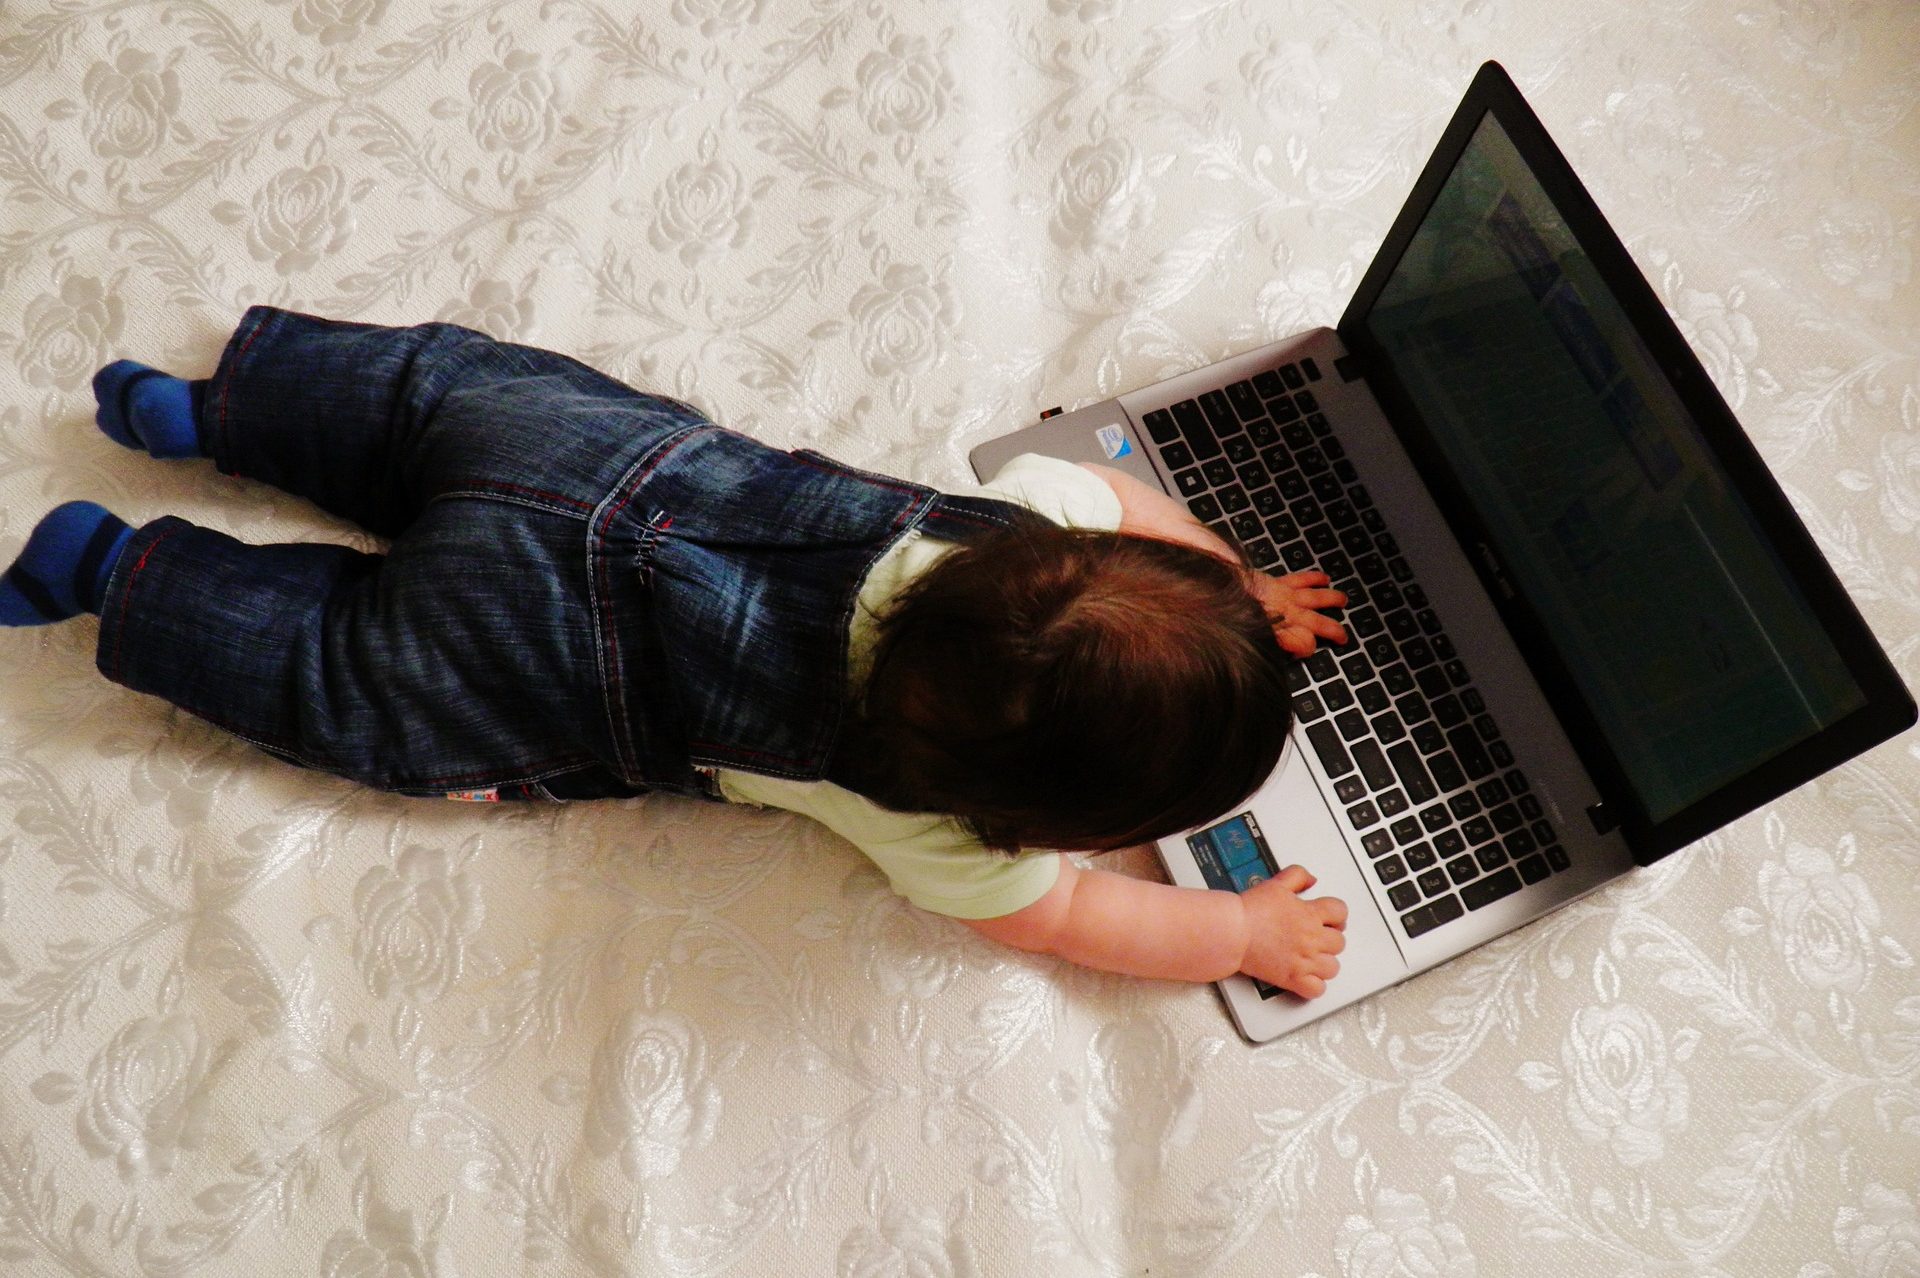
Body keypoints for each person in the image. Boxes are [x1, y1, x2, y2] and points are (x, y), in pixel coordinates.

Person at [0, 307, 1352, 998]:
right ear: (1031, 814)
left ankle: (202, 407)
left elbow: (1138, 516)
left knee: (431, 399)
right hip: (526, 647)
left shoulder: (1051, 512)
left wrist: (1229, 585)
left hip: (584, 462)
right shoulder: (951, 841)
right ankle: (117, 575)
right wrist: (1236, 926)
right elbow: (1076, 918)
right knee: (343, 670)